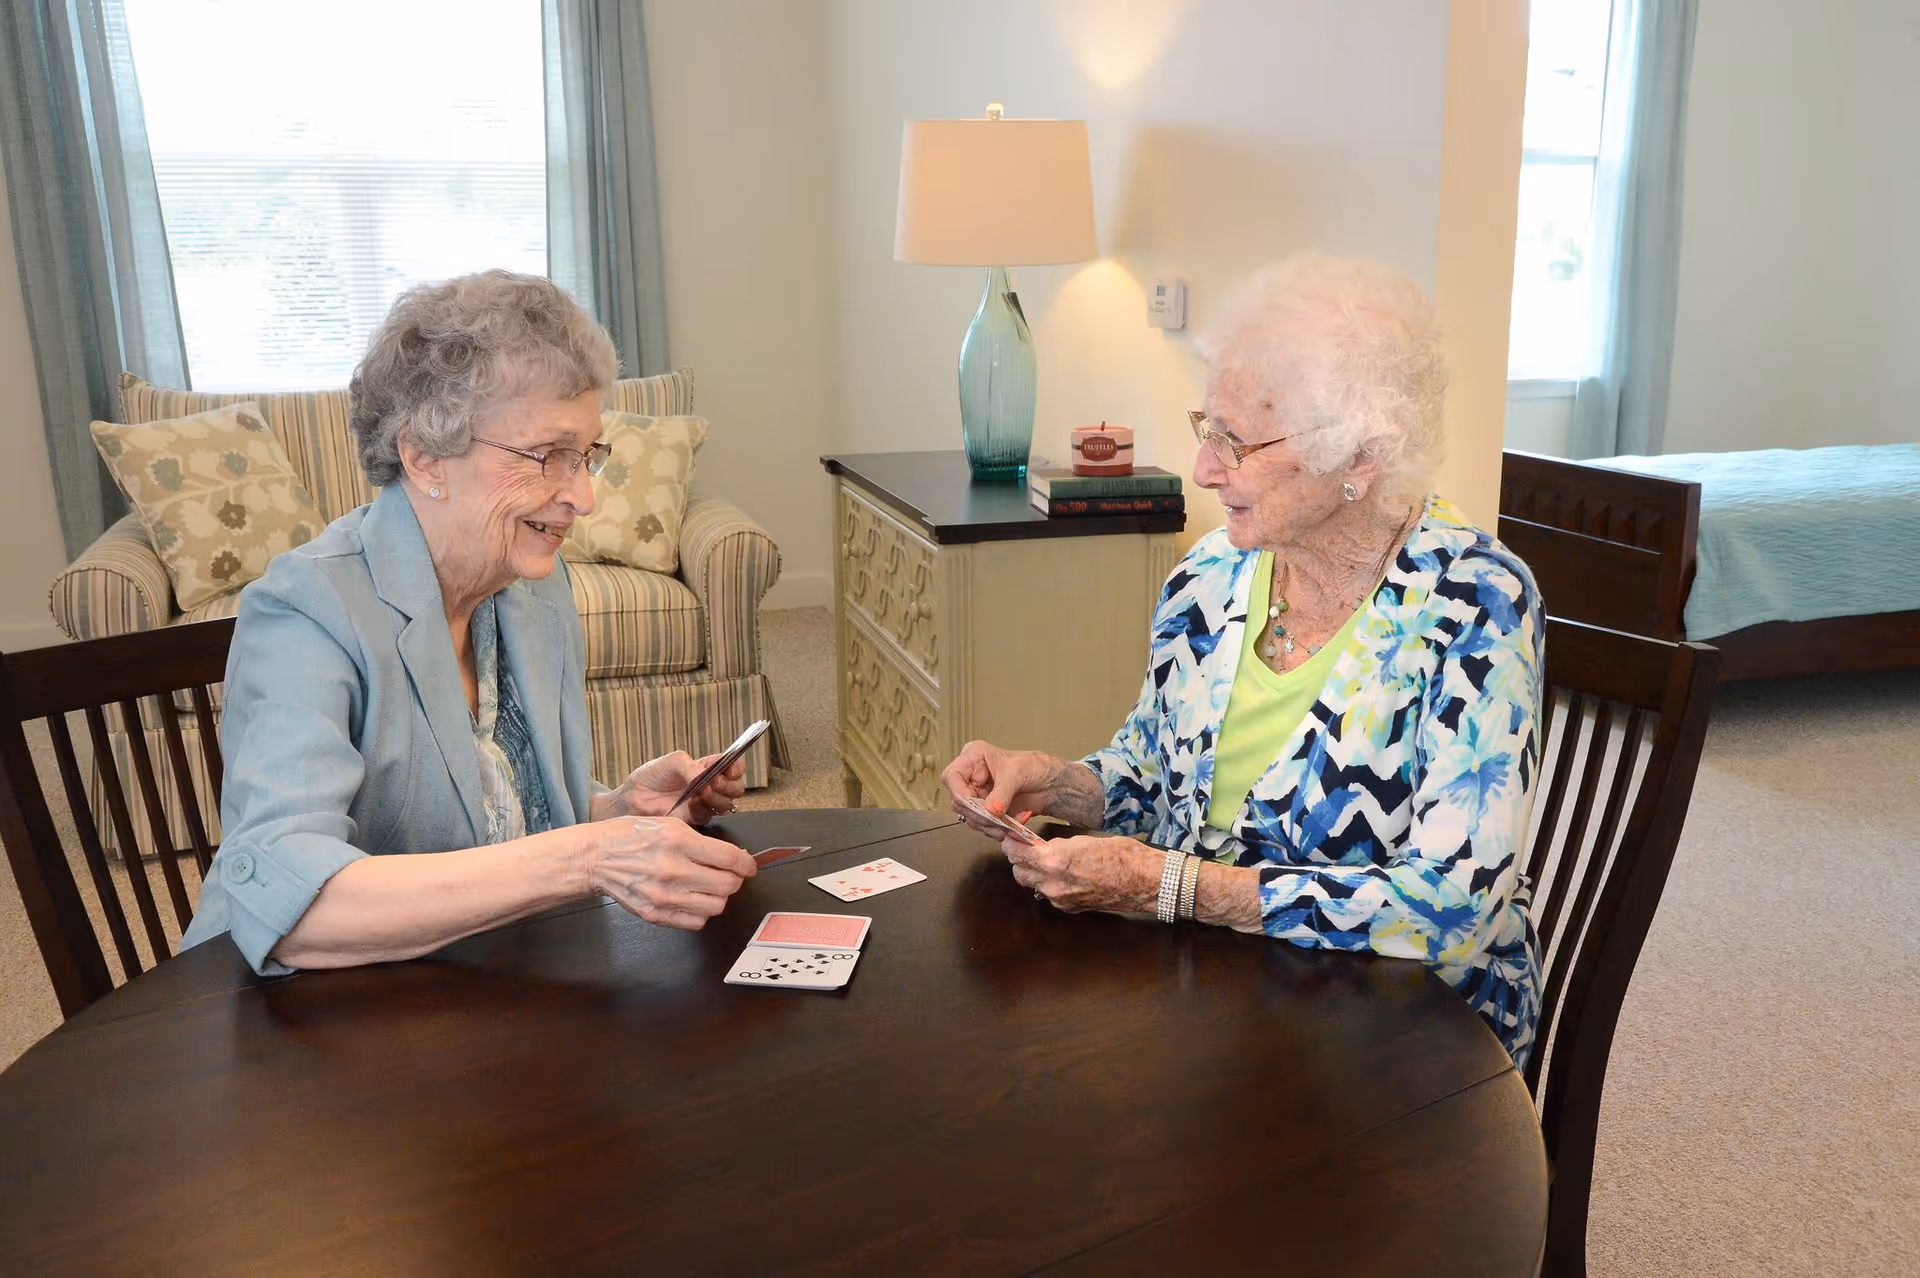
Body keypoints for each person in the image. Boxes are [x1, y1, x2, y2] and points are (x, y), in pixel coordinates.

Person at [942, 255, 1545, 1065]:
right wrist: (1054, 781)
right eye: (1206, 429)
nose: (1203, 468)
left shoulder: (1475, 602)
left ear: (1358, 457)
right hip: (1222, 988)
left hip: (1405, 1030)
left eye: (1236, 440)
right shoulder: (1211, 573)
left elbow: (1452, 909)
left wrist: (1172, 887)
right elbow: (1155, 779)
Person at [181, 270, 758, 974]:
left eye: (586, 457)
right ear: (425, 457)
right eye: (548, 456)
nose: (582, 497)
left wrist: (619, 813)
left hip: (474, 986)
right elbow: (293, 906)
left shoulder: (529, 584)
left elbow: (485, 830)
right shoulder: (305, 610)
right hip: (302, 1023)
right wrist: (589, 854)